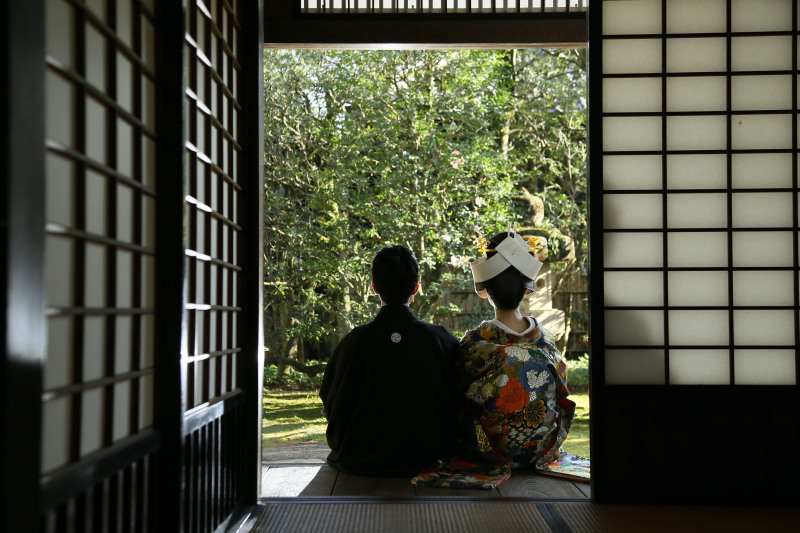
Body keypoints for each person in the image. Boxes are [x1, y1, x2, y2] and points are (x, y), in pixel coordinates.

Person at [320, 244, 459, 477]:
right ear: (415, 287)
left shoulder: (353, 343)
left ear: (375, 287)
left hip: (359, 460)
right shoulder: (441, 340)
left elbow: (330, 398)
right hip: (430, 460)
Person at [459, 229, 576, 468]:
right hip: (543, 451)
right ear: (527, 289)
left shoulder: (474, 344)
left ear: (485, 291)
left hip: (490, 454)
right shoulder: (546, 340)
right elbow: (562, 390)